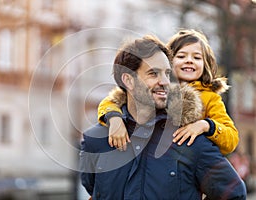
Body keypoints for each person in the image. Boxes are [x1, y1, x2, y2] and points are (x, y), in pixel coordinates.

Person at [80, 35, 246, 199]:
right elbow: (94, 190)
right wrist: (113, 118)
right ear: (128, 81)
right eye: (153, 73)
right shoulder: (95, 141)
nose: (165, 82)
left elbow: (234, 193)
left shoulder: (188, 140)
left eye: (167, 74)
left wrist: (207, 125)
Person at [97, 29, 238, 155]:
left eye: (197, 57)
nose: (189, 61)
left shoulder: (210, 98)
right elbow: (111, 101)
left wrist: (205, 125)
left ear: (206, 64)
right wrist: (114, 119)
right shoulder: (155, 89)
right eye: (182, 56)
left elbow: (231, 138)